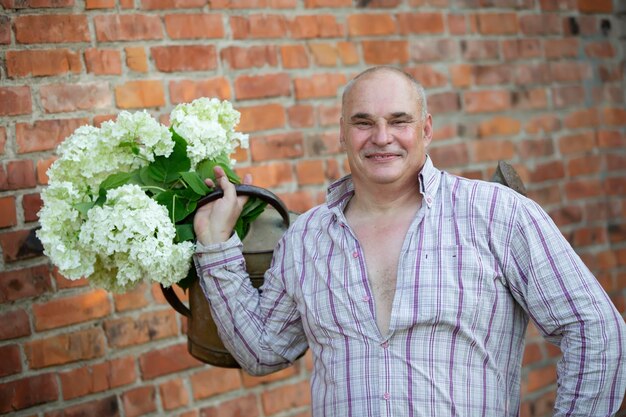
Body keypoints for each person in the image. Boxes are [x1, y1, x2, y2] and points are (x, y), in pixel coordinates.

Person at [193, 66, 626, 416]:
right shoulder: (306, 237)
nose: (382, 137)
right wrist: (216, 247)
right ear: (343, 134)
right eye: (363, 123)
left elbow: (596, 329)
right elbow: (264, 351)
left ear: (427, 129)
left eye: (399, 121)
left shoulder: (497, 214)